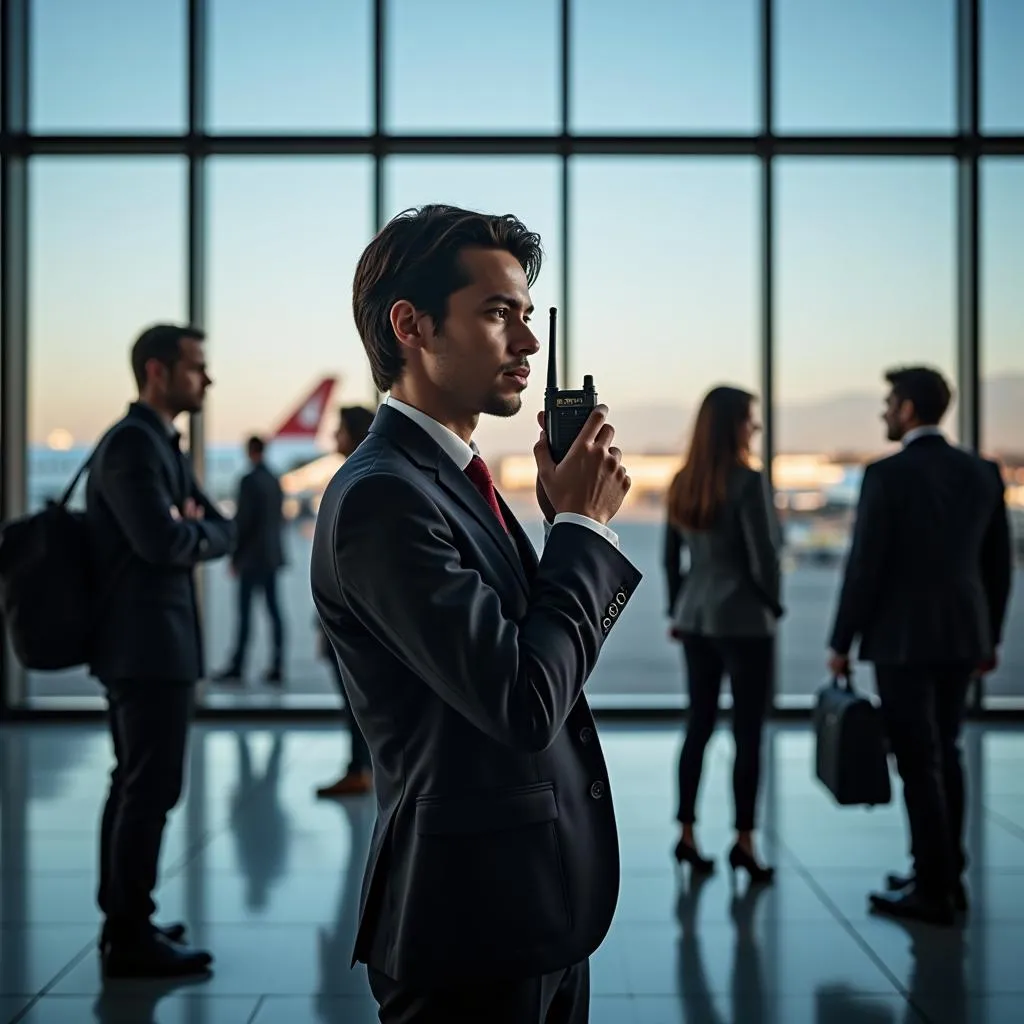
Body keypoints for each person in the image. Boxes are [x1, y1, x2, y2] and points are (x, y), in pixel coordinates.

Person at [310, 204, 641, 1023]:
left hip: (531, 907)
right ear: (410, 325)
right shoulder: (383, 498)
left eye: (529, 317)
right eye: (499, 314)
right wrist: (580, 530)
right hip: (472, 923)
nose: (527, 343)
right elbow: (523, 701)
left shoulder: (452, 480)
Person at [828, 366, 1012, 926]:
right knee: (947, 750)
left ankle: (933, 888)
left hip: (901, 640)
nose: (884, 413)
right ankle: (944, 871)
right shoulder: (983, 472)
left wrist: (842, 641)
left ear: (907, 409)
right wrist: (989, 636)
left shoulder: (886, 475)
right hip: (963, 635)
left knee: (916, 759)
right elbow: (997, 567)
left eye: (888, 403)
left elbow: (866, 569)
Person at [86, 323, 236, 977]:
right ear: (157, 371)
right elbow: (161, 543)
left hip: (159, 644)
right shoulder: (132, 448)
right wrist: (189, 529)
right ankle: (127, 934)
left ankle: (129, 917)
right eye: (196, 367)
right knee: (147, 788)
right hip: (143, 648)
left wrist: (192, 528)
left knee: (141, 785)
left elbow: (220, 528)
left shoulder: (158, 445)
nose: (206, 379)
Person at [663, 386, 782, 885]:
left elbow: (671, 558)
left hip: (696, 618)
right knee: (748, 732)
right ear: (732, 424)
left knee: (699, 725)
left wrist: (677, 608)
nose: (753, 427)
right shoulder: (748, 482)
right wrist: (773, 602)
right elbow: (764, 557)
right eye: (749, 419)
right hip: (745, 622)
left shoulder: (682, 482)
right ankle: (745, 841)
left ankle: (687, 835)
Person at [315, 405, 376, 798]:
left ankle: (360, 770)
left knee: (356, 703)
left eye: (338, 430)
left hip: (356, 622)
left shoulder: (360, 481)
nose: (333, 438)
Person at [213, 435, 286, 685]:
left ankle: (238, 666)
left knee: (245, 615)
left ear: (249, 452)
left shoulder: (248, 481)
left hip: (251, 559)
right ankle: (277, 665)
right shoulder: (274, 480)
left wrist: (234, 556)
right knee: (274, 611)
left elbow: (243, 523)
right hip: (271, 557)